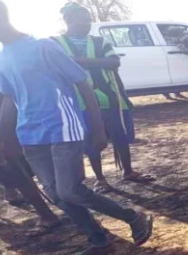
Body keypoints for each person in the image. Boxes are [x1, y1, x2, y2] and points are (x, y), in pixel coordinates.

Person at [0, 0, 154, 255]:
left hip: (62, 128)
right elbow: (10, 99)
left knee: (70, 190)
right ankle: (98, 238)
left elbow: (83, 84)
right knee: (56, 194)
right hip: (30, 135)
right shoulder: (1, 57)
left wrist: (98, 127)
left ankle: (133, 217)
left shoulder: (43, 47)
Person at [56, 2, 154, 193]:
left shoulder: (100, 41)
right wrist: (98, 63)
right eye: (81, 20)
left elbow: (114, 62)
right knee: (91, 140)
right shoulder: (55, 43)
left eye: (88, 21)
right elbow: (59, 66)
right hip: (78, 101)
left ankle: (128, 171)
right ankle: (100, 179)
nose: (86, 24)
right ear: (68, 20)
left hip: (109, 97)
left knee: (120, 135)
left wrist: (76, 62)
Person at [0, 61, 63, 237]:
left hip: (3, 118)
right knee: (13, 168)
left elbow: (6, 93)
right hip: (4, 117)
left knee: (21, 166)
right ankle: (50, 211)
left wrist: (0, 132)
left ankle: (52, 213)